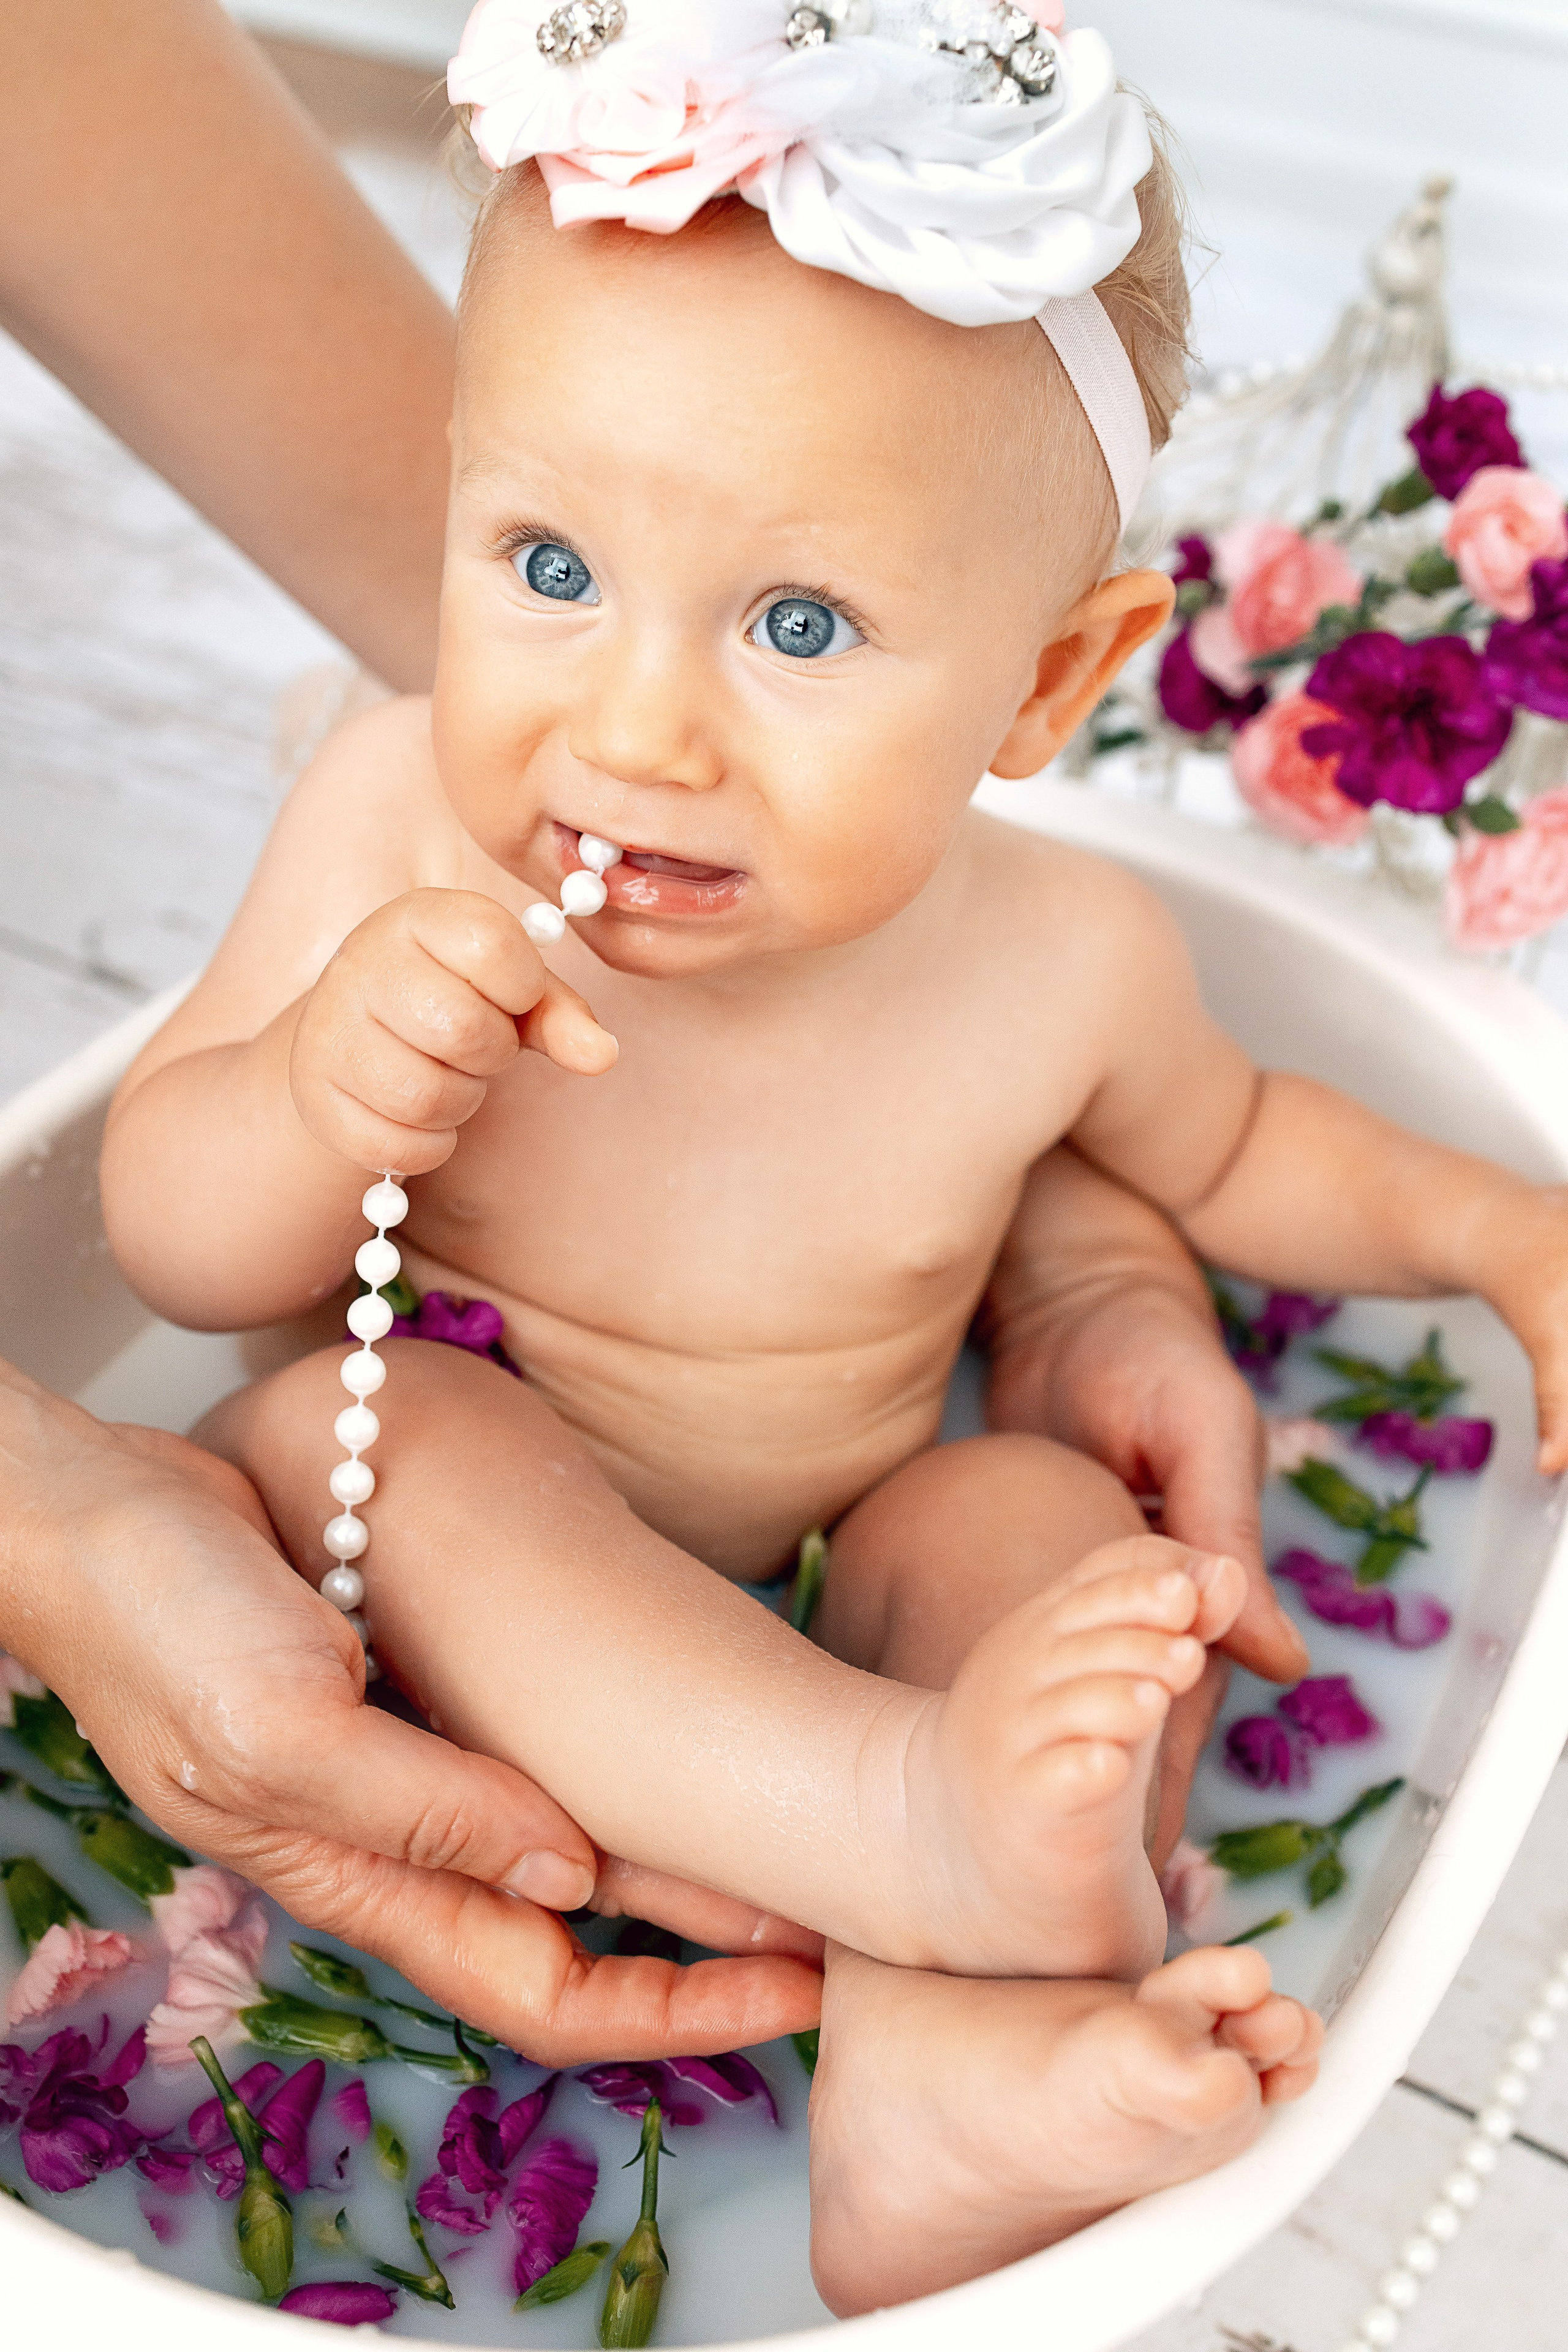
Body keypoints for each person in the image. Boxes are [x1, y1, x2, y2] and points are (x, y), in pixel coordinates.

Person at [88, 9, 1364, 2304]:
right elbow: (171, 1245)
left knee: (1040, 1539)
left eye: (797, 624)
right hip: (398, 1567)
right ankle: (900, 1826)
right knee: (414, 1432)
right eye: (548, 561)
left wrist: (1508, 1229)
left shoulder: (1063, 955)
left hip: (831, 1552)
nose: (638, 724)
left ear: (1045, 684)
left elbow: (1248, 1136)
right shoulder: (395, 823)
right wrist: (305, 1102)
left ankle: (936, 2082)